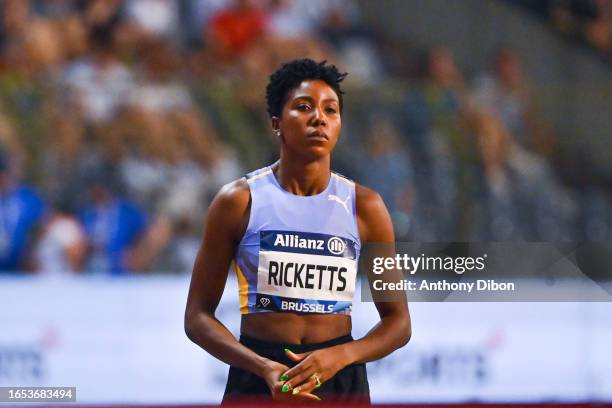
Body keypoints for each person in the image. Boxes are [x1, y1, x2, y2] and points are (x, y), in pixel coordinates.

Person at [185, 58, 411, 404]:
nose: (319, 117)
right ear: (276, 122)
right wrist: (262, 367)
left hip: (340, 379)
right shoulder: (239, 201)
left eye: (330, 110)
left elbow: (398, 324)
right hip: (259, 379)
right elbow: (197, 317)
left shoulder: (365, 207)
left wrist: (342, 355)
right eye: (303, 107)